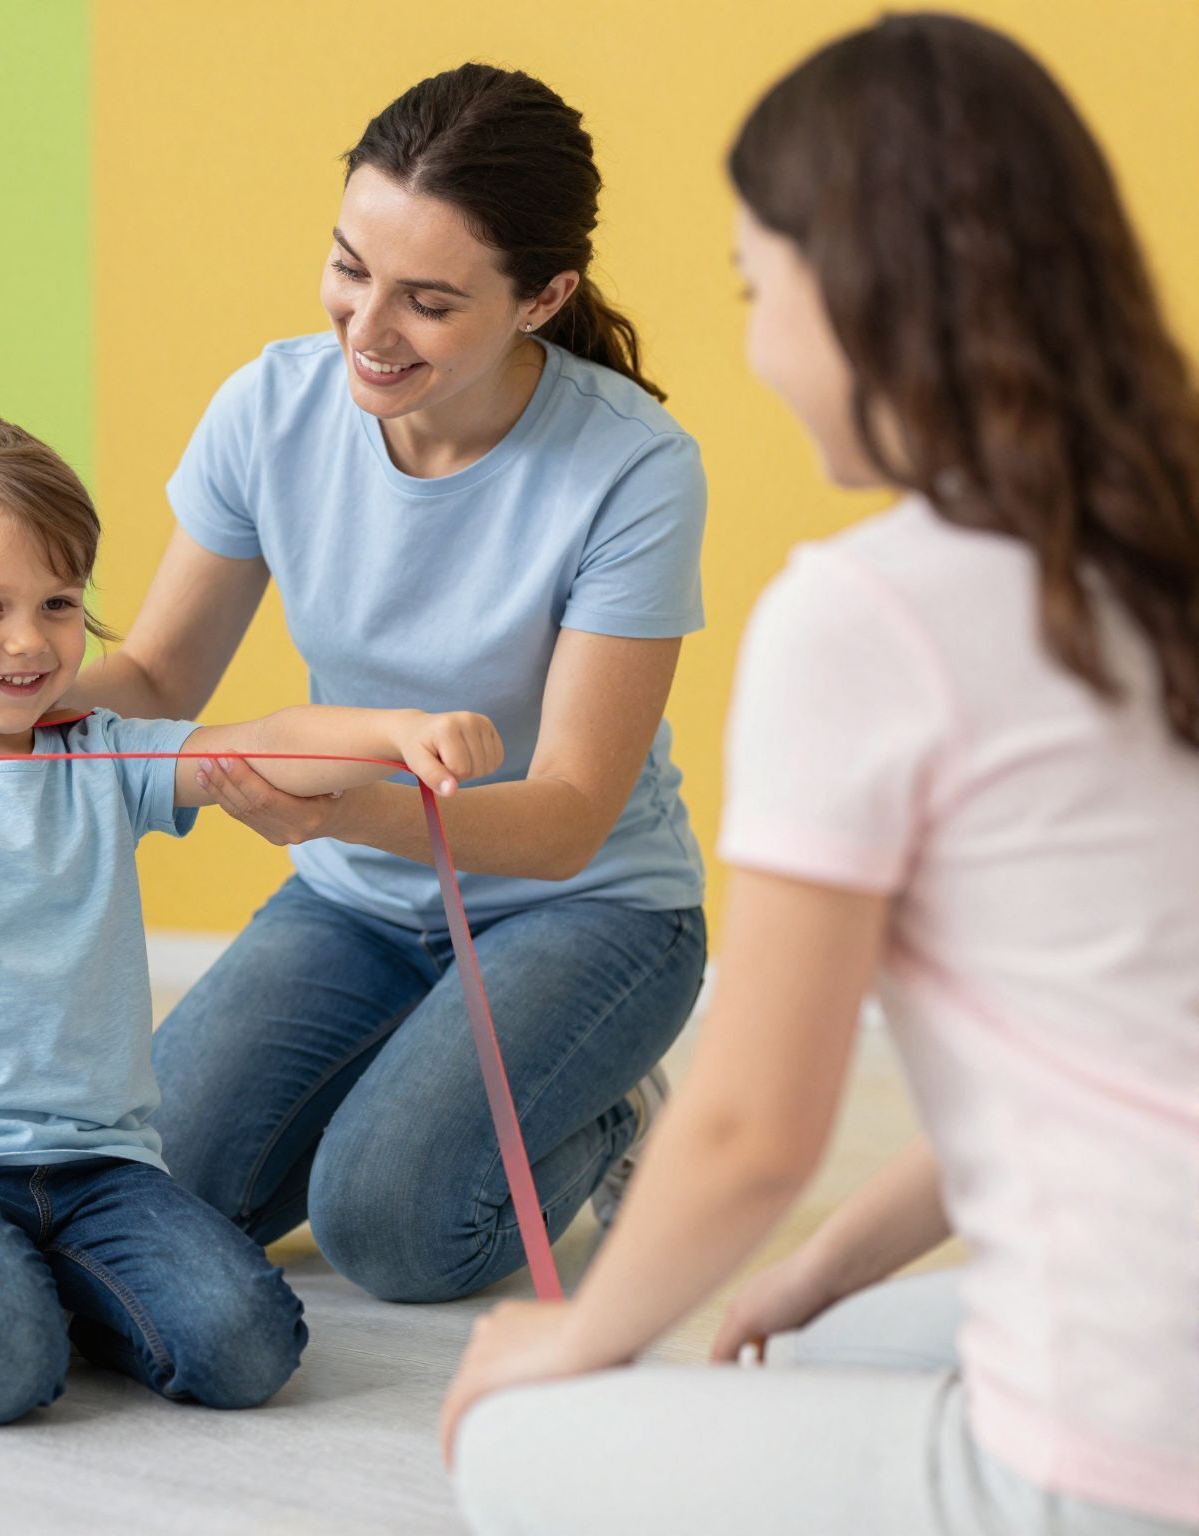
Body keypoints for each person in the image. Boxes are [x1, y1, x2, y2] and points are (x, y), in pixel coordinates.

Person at [443, 15, 1199, 1534]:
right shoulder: (1158, 558)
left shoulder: (867, 616)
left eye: (754, 285)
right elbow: (1108, 1061)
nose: (756, 341)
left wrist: (563, 1347)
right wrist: (819, 1267)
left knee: (512, 1438)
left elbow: (751, 1127)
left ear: (854, 289)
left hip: (1120, 1455)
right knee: (808, 1339)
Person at [0, 416, 504, 1427]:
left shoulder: (102, 756)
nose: (29, 640)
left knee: (246, 1349)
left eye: (58, 603)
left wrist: (399, 732)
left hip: (101, 1168)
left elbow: (261, 744)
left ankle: (46, 1295)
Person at [71, 63, 710, 1304]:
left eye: (427, 302)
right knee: (154, 1189)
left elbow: (568, 816)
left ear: (542, 298)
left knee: (394, 1225)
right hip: (359, 902)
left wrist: (335, 808)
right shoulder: (270, 410)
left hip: (582, 910)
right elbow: (154, 671)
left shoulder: (632, 469)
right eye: (348, 268)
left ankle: (610, 1107)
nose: (366, 328)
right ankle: (437, 1076)